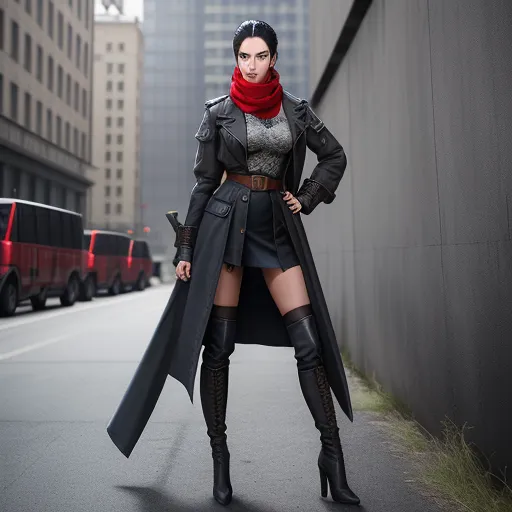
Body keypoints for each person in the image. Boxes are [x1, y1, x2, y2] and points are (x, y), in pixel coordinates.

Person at [107, 19, 360, 507]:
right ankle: (220, 461)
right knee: (218, 347)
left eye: (261, 56)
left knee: (308, 343)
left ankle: (332, 457)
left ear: (273, 58)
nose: (252, 64)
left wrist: (305, 198)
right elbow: (204, 184)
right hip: (227, 226)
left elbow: (335, 156)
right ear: (236, 59)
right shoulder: (218, 114)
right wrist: (186, 247)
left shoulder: (296, 110)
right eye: (244, 56)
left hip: (278, 229)